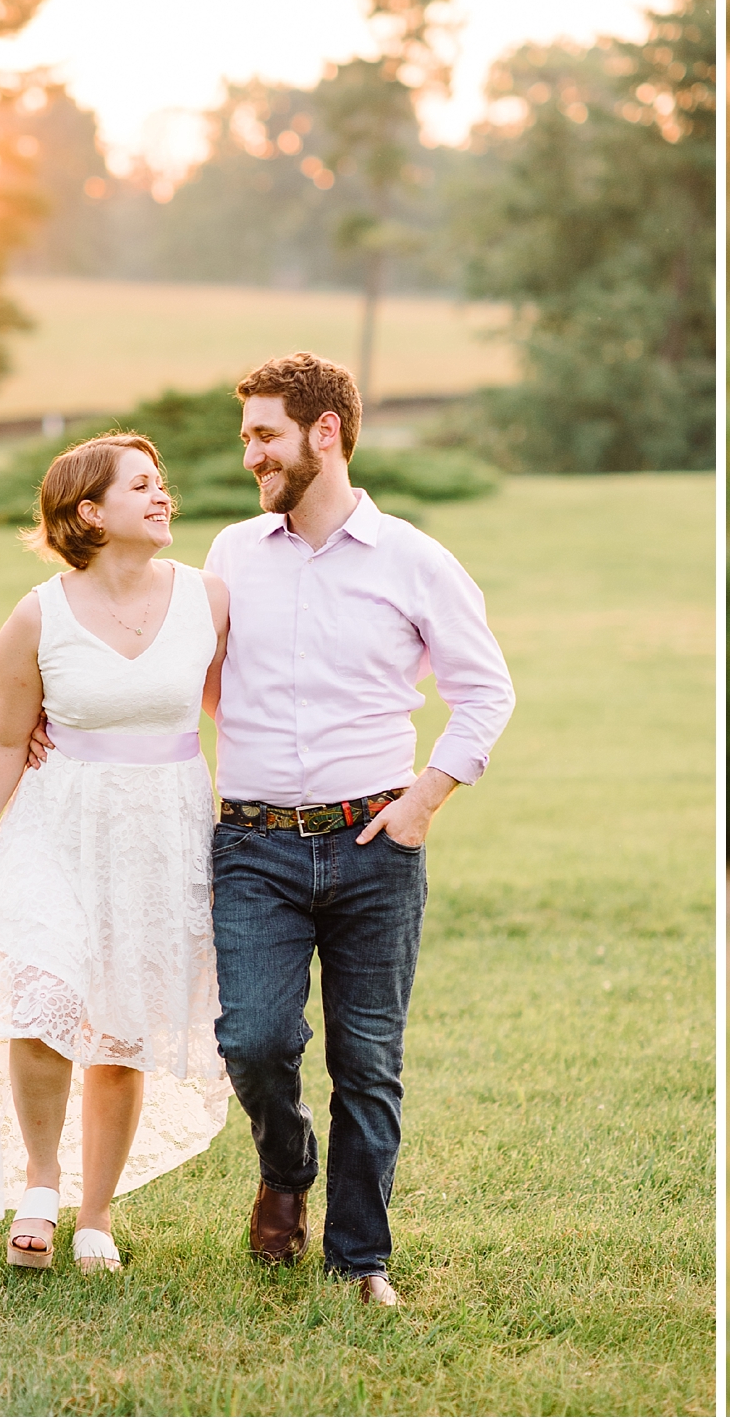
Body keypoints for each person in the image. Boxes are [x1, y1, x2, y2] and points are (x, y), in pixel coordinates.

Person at [202, 351, 515, 1306]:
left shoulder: (415, 559)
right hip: (253, 845)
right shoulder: (229, 554)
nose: (250, 453)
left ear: (324, 432)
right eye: (249, 434)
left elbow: (484, 692)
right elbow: (194, 675)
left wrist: (422, 801)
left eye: (265, 434)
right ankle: (287, 1167)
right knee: (253, 1041)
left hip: (376, 849)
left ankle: (360, 1259)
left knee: (369, 1061)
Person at [0, 433, 232, 1272]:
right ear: (90, 512)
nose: (162, 496)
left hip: (162, 833)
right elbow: (3, 741)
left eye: (162, 483)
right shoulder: (37, 614)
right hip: (59, 827)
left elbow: (235, 710)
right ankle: (39, 1186)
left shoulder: (209, 599)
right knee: (43, 999)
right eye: (142, 485)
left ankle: (94, 1215)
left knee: (122, 1028)